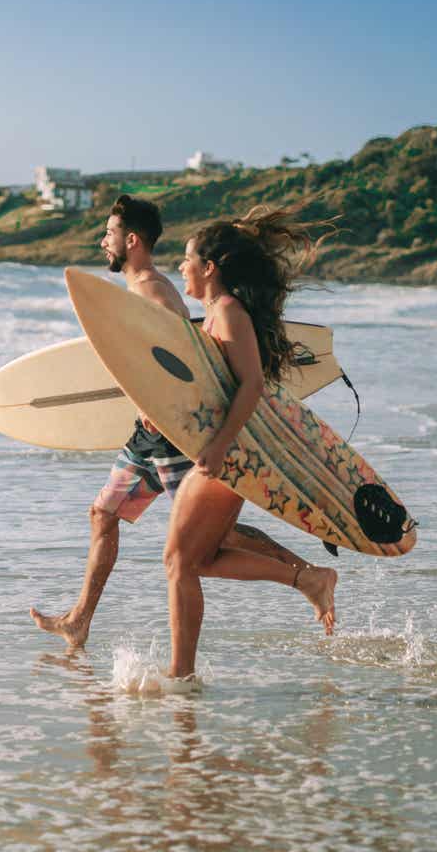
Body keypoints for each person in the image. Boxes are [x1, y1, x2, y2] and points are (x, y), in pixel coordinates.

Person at [30, 196, 333, 650]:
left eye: (109, 234)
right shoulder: (140, 290)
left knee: (214, 541)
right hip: (146, 437)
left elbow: (181, 360)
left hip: (171, 435)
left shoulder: (150, 290)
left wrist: (164, 404)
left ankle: (307, 577)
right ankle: (79, 619)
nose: (102, 241)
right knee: (103, 514)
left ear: (130, 240)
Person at [163, 205, 338, 681]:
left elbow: (253, 385)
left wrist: (219, 446)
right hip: (230, 448)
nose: (181, 268)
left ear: (210, 267)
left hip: (233, 451)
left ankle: (181, 677)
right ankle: (308, 579)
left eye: (186, 259)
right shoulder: (216, 314)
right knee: (199, 558)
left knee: (180, 561)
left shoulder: (229, 313)